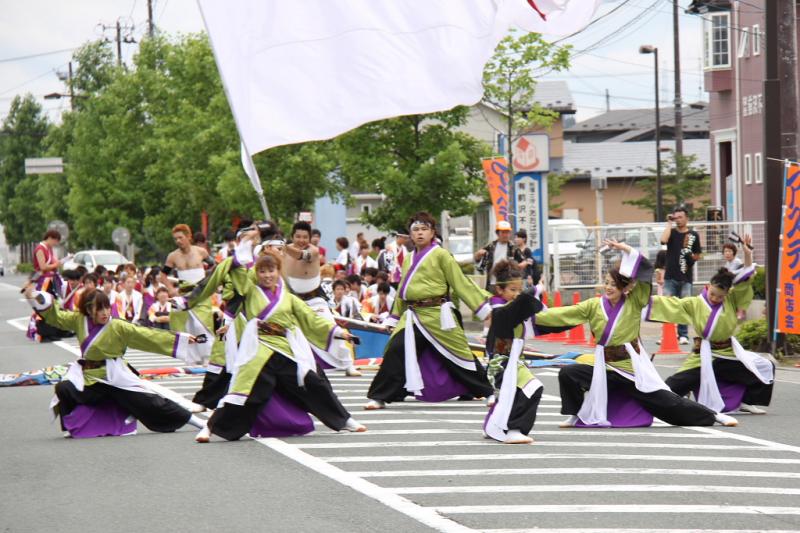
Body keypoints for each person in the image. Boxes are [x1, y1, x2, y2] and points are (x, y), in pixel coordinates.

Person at [181, 237, 367, 443]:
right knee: (244, 393)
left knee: (314, 383)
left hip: (286, 348)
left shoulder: (287, 296)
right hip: (259, 349)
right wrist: (243, 253)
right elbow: (240, 275)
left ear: (279, 271)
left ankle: (345, 420)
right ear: (256, 274)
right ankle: (210, 427)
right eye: (262, 271)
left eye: (271, 271)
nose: (267, 275)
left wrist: (339, 333)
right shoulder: (249, 290)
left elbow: (310, 318)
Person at [534, 240, 735, 428]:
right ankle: (576, 413)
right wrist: (536, 314)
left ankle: (712, 415)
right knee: (569, 374)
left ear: (624, 287)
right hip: (604, 366)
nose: (609, 288)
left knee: (665, 401)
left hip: (629, 368)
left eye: (614, 284)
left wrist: (627, 251)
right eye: (606, 283)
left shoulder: (634, 301)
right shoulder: (594, 305)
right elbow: (564, 314)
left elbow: (644, 273)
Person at [23, 286, 206, 438]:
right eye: (99, 309)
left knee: (152, 402)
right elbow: (56, 317)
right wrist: (36, 297)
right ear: (88, 310)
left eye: (106, 308)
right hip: (90, 379)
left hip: (116, 377)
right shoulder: (79, 320)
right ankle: (71, 428)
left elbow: (148, 336)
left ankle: (198, 422)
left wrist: (181, 339)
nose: (104, 313)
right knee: (64, 388)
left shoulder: (117, 326)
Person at [365, 212, 493, 410]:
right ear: (410, 234)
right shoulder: (408, 258)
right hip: (413, 315)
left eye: (424, 229)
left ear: (433, 232)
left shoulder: (441, 254)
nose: (420, 233)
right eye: (415, 230)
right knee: (396, 350)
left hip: (437, 315)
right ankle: (380, 396)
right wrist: (393, 317)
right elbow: (402, 290)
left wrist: (483, 309)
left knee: (460, 354)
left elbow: (459, 282)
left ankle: (487, 392)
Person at [647, 235, 773, 415]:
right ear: (708, 286)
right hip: (703, 355)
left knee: (765, 367)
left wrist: (747, 255)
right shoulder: (695, 303)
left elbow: (746, 278)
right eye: (713, 294)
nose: (715, 299)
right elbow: (670, 304)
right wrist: (642, 301)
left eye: (720, 296)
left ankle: (747, 400)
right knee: (671, 388)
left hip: (728, 354)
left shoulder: (731, 300)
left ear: (727, 293)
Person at [284, 221, 361, 376]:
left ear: (310, 238)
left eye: (305, 237)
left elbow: (301, 255)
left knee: (330, 327)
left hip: (314, 299)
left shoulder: (313, 251)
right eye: (298, 236)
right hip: (292, 300)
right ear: (292, 237)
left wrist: (283, 246)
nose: (301, 240)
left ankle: (347, 364)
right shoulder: (284, 252)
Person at [483, 260, 547, 444]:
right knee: (532, 387)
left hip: (510, 363)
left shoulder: (511, 309)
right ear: (499, 290)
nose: (517, 295)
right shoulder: (498, 309)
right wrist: (533, 291)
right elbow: (516, 308)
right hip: (501, 365)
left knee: (510, 394)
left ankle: (493, 425)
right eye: (512, 290)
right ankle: (513, 428)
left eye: (519, 290)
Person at [660, 207, 702, 345]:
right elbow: (663, 240)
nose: (677, 220)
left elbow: (698, 254)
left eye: (680, 217)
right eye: (675, 217)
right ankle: (667, 335)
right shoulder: (671, 232)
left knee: (684, 307)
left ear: (686, 218)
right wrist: (668, 223)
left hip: (686, 277)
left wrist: (690, 258)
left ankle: (683, 335)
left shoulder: (693, 235)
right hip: (670, 276)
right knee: (667, 306)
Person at [475, 220, 523, 292]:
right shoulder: (491, 245)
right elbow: (477, 259)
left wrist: (516, 268)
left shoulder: (513, 248)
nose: (505, 235)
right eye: (503, 232)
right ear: (497, 233)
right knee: (492, 301)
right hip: (492, 283)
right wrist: (478, 254)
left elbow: (522, 261)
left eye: (507, 232)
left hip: (507, 283)